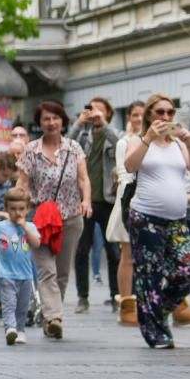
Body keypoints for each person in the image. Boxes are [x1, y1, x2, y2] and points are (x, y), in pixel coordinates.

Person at [14, 99, 92, 340]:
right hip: (41, 218)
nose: (51, 122)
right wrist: (18, 207)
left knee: (61, 272)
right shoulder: (31, 150)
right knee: (46, 270)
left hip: (70, 217)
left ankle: (51, 316)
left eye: (55, 118)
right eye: (46, 118)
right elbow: (23, 183)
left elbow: (83, 179)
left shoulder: (74, 148)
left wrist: (86, 200)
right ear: (39, 123)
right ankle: (54, 317)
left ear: (62, 121)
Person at [123, 93, 190, 349]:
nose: (165, 117)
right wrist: (148, 138)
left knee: (188, 268)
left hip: (177, 219)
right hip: (146, 217)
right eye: (160, 112)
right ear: (150, 115)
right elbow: (130, 166)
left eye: (170, 113)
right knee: (149, 276)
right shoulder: (138, 140)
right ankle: (157, 333)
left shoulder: (178, 143)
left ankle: (158, 306)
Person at [69, 97, 122, 312]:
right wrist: (79, 123)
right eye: (91, 109)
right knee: (82, 250)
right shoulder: (83, 135)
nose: (95, 113)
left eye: (100, 110)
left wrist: (104, 124)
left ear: (108, 113)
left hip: (108, 199)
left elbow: (121, 147)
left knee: (113, 252)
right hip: (85, 200)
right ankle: (83, 297)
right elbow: (66, 146)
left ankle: (116, 295)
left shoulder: (115, 134)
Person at [0, 188, 41, 346]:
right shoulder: (1, 227)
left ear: (27, 209)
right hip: (6, 274)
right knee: (9, 304)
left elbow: (36, 243)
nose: (17, 212)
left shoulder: (30, 227)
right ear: (6, 209)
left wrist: (25, 227)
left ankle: (21, 330)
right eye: (13, 209)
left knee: (22, 307)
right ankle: (10, 329)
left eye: (21, 209)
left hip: (25, 276)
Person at [108, 100, 146, 325]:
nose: (139, 119)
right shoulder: (125, 142)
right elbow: (124, 174)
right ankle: (126, 302)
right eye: (135, 115)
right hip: (130, 200)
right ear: (129, 118)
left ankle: (151, 300)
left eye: (143, 115)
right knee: (128, 254)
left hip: (154, 202)